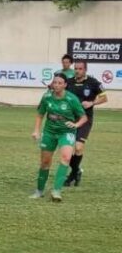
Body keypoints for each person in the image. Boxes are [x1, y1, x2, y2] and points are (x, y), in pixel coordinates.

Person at [30, 73, 87, 202]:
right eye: (55, 82)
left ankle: (56, 191)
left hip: (66, 132)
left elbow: (84, 117)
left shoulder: (71, 99)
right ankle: (39, 190)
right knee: (45, 162)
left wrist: (76, 124)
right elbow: (40, 114)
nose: (56, 85)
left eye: (60, 83)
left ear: (65, 85)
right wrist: (36, 131)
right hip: (49, 132)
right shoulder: (47, 97)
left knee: (66, 158)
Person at [64, 60, 107, 186]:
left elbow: (105, 98)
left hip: (85, 119)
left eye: (80, 68)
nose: (77, 71)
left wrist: (92, 103)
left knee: (78, 147)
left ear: (85, 69)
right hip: (70, 118)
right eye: (76, 68)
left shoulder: (93, 83)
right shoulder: (69, 82)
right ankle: (76, 171)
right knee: (66, 150)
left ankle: (73, 174)